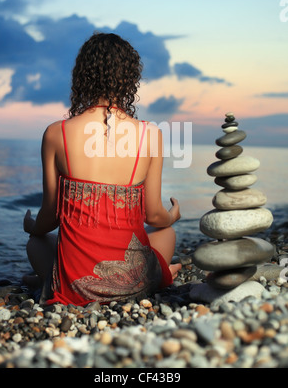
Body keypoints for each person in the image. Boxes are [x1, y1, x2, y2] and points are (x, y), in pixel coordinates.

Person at [23, 32, 182, 306]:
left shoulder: (55, 133)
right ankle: (161, 274)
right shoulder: (151, 135)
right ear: (129, 78)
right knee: (167, 233)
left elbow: (50, 216)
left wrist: (33, 226)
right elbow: (154, 215)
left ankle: (50, 282)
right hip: (133, 285)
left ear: (82, 75)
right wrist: (171, 216)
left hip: (77, 287)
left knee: (35, 243)